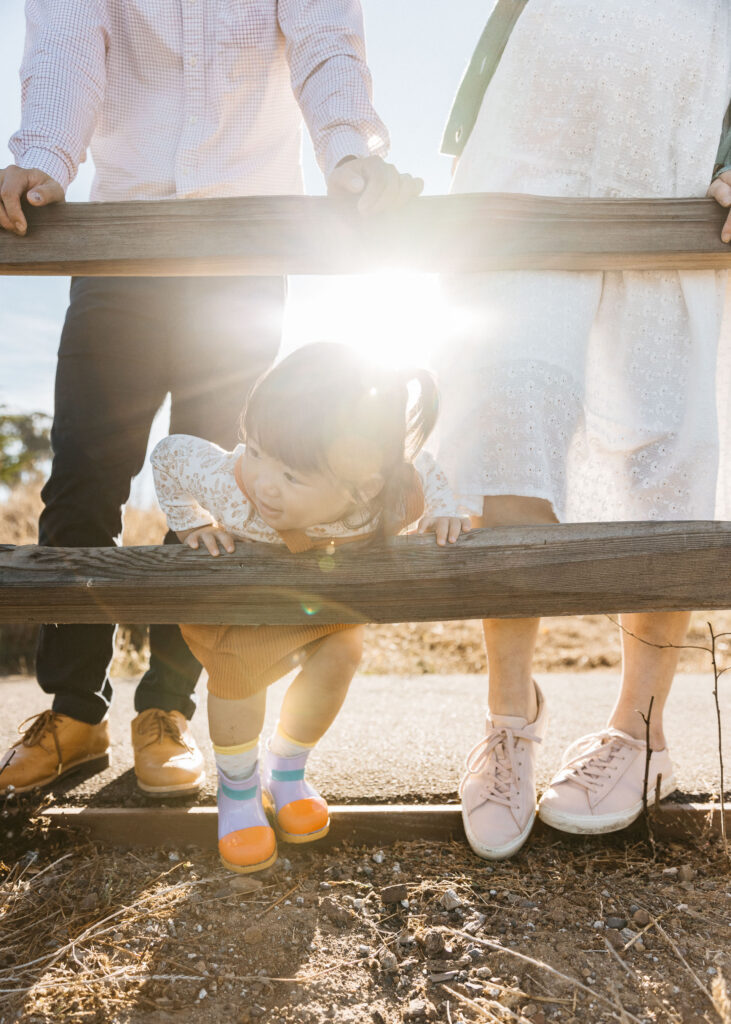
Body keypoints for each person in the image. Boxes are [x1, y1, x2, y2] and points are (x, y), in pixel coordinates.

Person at [0, 0, 422, 799]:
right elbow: (64, 44)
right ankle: (74, 712)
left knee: (224, 490)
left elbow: (325, 41)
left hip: (242, 248)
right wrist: (44, 156)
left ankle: (166, 711)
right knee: (86, 476)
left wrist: (347, 153)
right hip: (119, 237)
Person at [434, 0, 731, 859]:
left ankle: (640, 733)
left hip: (673, 153)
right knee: (511, 405)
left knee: (665, 440)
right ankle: (507, 717)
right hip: (531, 149)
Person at [151, 342, 468, 872]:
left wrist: (445, 511)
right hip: (247, 599)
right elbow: (170, 457)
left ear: (361, 487)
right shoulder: (232, 488)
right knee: (237, 681)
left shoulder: (386, 493)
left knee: (343, 649)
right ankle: (238, 787)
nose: (263, 484)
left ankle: (288, 771)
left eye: (292, 476)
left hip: (317, 596)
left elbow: (425, 470)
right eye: (254, 450)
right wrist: (192, 523)